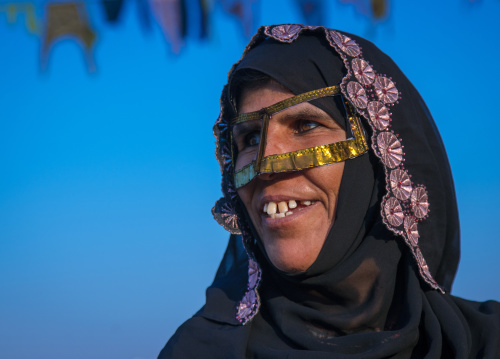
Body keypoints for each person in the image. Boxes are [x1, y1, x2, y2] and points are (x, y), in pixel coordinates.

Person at [159, 24, 500, 358]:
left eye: (304, 126)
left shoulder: (483, 342)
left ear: (379, 158)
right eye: (249, 138)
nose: (264, 167)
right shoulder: (200, 351)